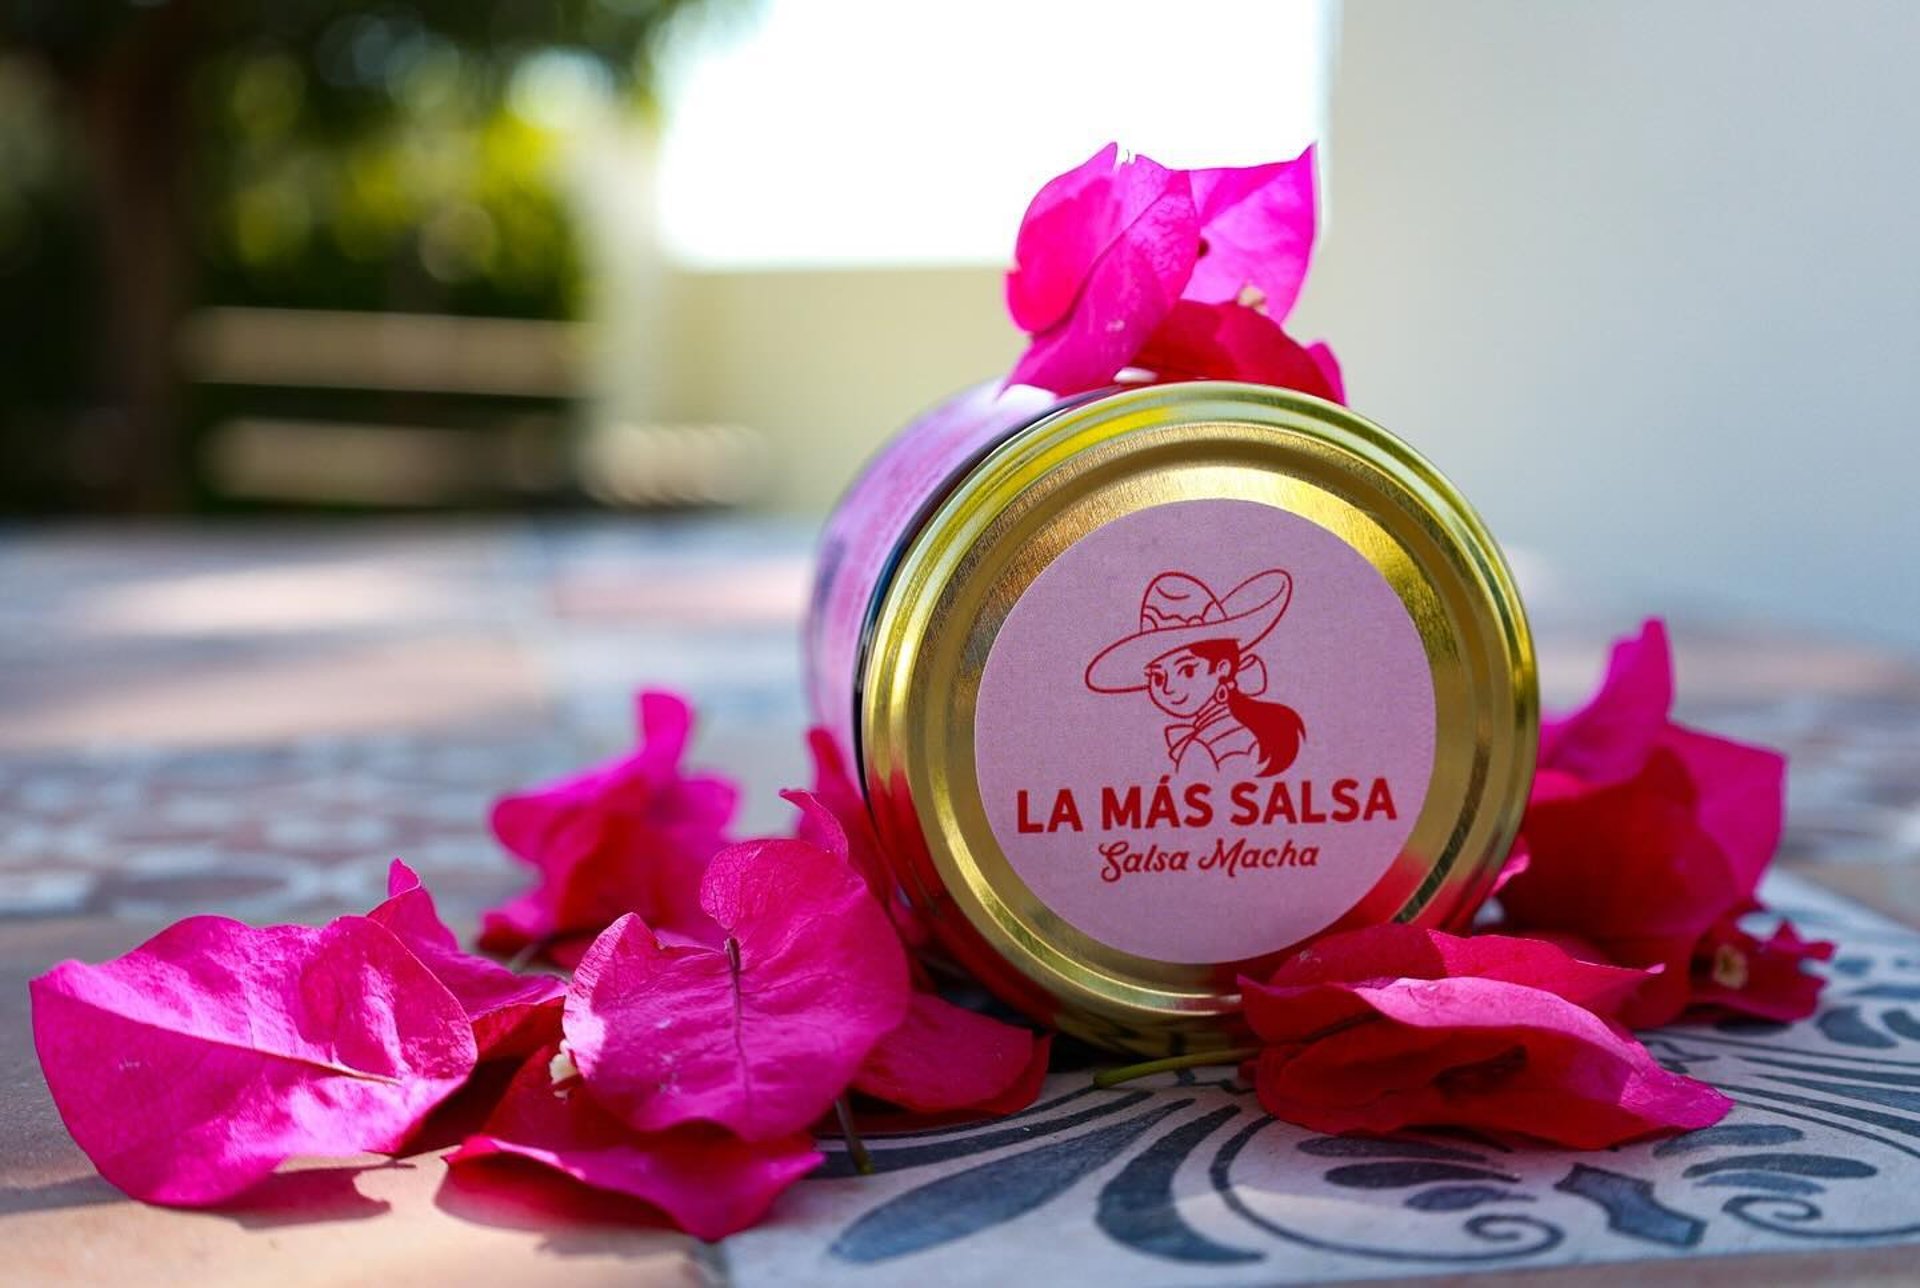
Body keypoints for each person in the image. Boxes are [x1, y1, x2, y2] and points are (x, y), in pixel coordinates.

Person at [1084, 570, 1306, 775]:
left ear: (1222, 668)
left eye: (1187, 670)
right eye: (1158, 677)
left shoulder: (1200, 749)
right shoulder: (1251, 730)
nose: (1168, 688)